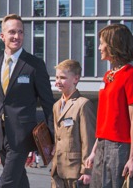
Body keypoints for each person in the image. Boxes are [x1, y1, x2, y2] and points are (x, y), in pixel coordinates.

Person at [0, 13, 55, 188]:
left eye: (20, 32)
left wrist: (54, 137)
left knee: (6, 183)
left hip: (22, 136)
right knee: (19, 181)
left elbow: (48, 103)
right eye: (12, 32)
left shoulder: (34, 64)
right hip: (1, 135)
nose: (16, 36)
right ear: (2, 36)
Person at [86, 24, 133, 188]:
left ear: (113, 45)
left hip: (120, 147)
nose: (99, 47)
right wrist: (94, 150)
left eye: (102, 43)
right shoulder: (109, 75)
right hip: (103, 144)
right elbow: (105, 117)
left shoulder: (132, 75)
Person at [51, 59, 96, 188]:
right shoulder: (56, 106)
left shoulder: (83, 104)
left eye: (63, 78)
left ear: (75, 79)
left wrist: (87, 171)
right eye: (57, 77)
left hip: (75, 172)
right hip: (57, 170)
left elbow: (88, 140)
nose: (58, 81)